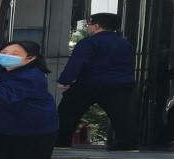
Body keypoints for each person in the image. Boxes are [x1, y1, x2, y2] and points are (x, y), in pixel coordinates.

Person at [55, 13, 137, 150]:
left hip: (90, 83)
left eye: (89, 24)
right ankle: (127, 143)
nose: (88, 27)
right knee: (121, 115)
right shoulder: (125, 44)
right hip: (119, 84)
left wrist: (65, 81)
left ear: (97, 26)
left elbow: (76, 63)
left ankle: (60, 141)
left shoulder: (89, 42)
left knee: (68, 112)